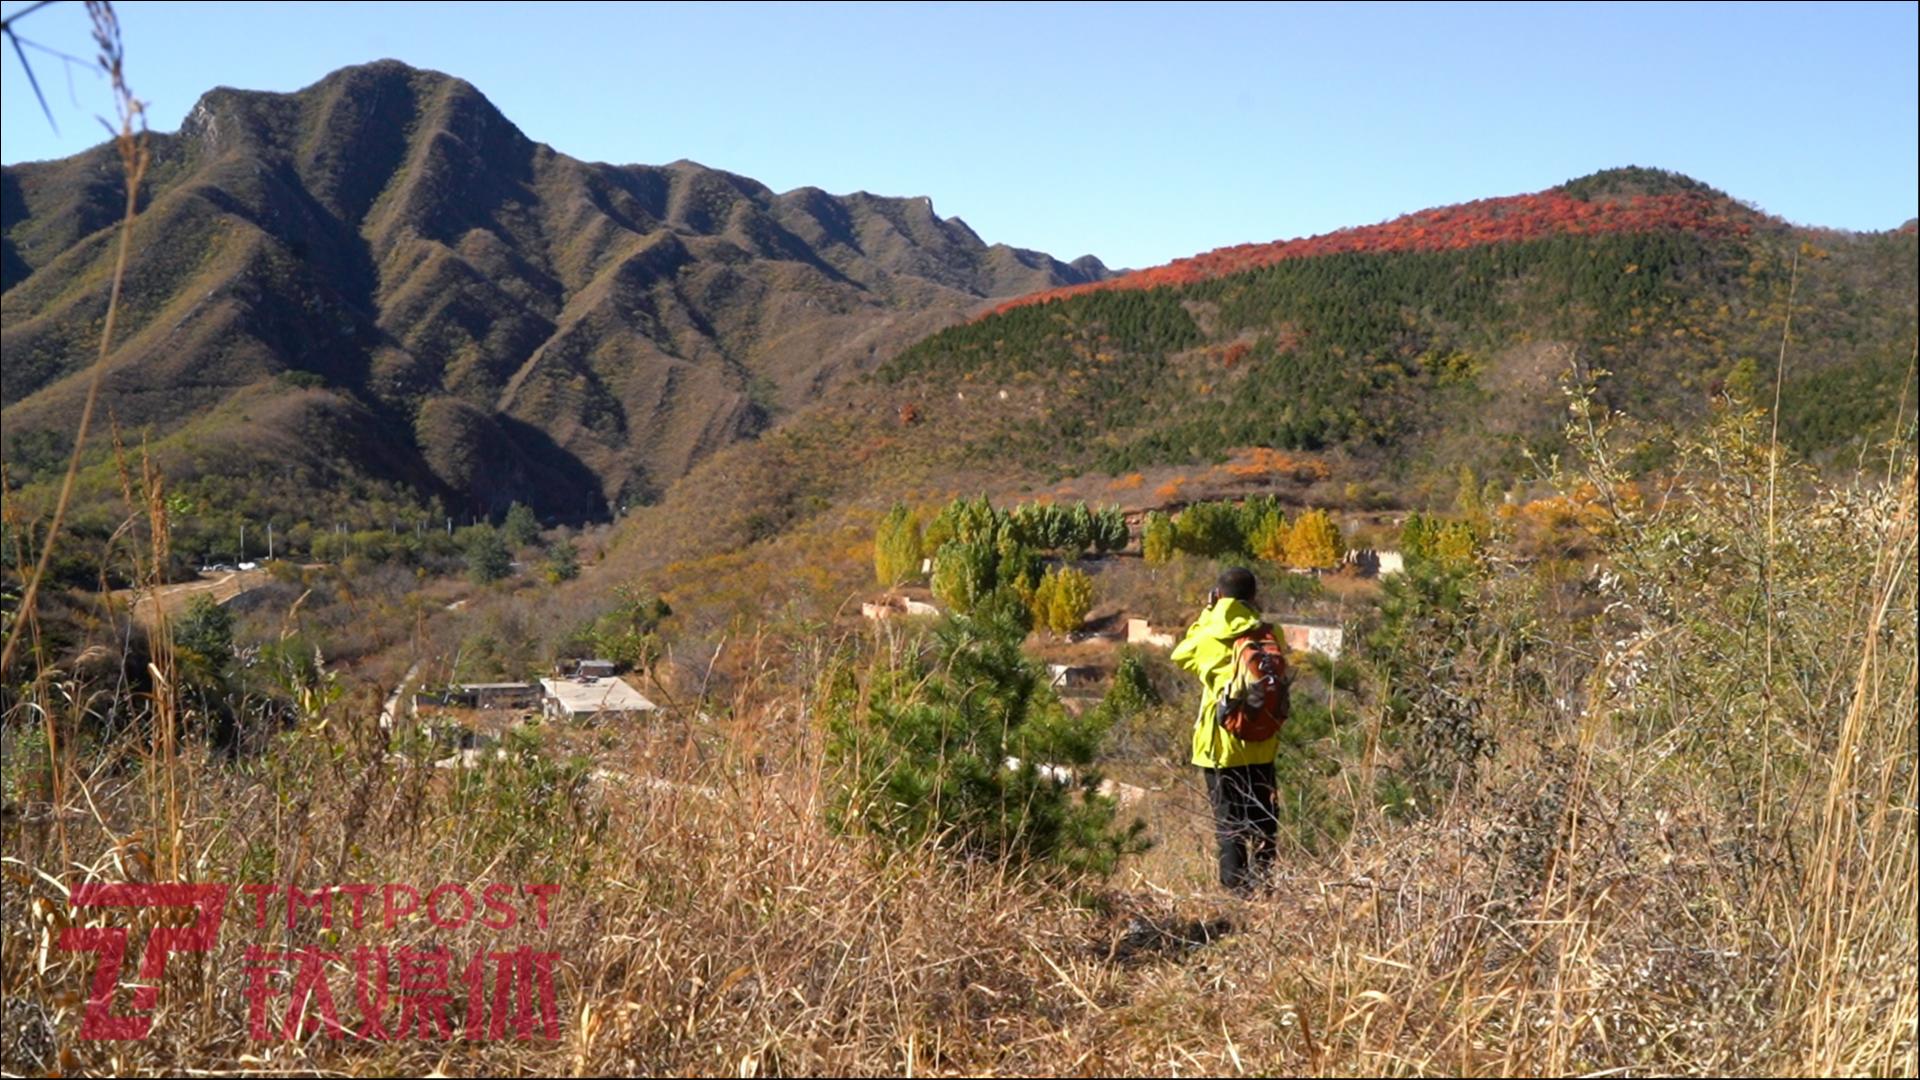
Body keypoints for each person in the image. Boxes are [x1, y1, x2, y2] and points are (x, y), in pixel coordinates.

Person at [1170, 566, 1280, 895]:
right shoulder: (1270, 633)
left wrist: (1209, 614)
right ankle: (1265, 888)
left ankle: (1236, 896)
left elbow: (1181, 654)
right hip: (1263, 740)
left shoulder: (1210, 635)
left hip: (1221, 746)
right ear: (1253, 596)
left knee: (1230, 825)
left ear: (1218, 596)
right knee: (1263, 820)